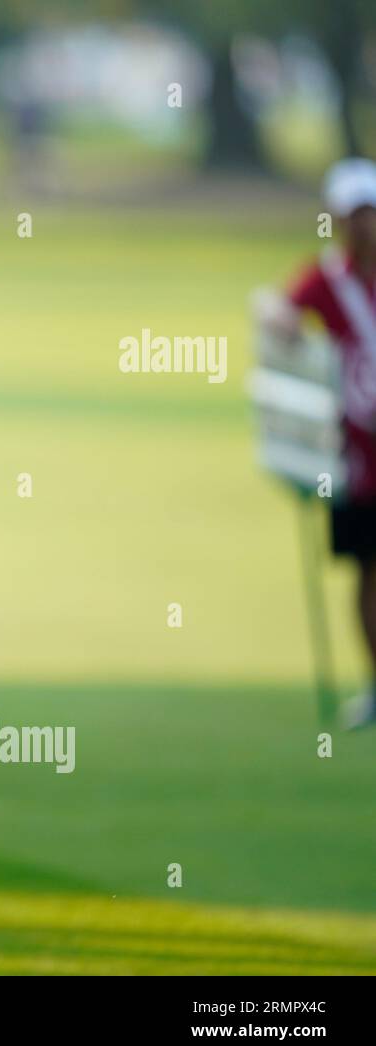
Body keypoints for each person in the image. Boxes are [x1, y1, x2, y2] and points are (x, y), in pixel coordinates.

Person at [261, 157, 376, 729]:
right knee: (369, 570)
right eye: (352, 214)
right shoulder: (325, 280)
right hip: (357, 456)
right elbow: (278, 310)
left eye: (369, 213)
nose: (362, 226)